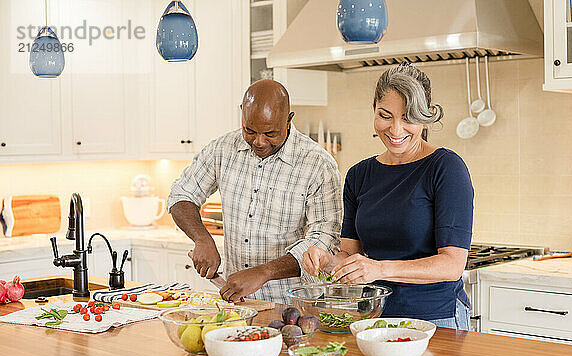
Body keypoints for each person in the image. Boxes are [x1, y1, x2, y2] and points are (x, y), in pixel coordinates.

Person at [302, 64, 474, 330]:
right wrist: (327, 260)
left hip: (435, 319)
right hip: (374, 319)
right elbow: (351, 255)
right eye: (385, 116)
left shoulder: (445, 167)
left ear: (424, 118)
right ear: (374, 111)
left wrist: (380, 269)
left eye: (408, 118)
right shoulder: (359, 175)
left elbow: (452, 265)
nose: (395, 129)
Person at [167, 80, 342, 304]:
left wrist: (264, 272)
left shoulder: (317, 164)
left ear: (288, 120)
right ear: (242, 113)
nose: (259, 142)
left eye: (270, 133)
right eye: (250, 131)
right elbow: (181, 194)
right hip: (237, 302)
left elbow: (324, 239)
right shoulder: (222, 149)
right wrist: (201, 238)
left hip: (293, 305)